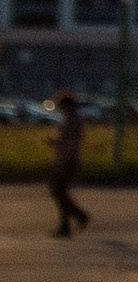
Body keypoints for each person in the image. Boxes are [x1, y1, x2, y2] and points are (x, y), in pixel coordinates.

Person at [47, 90, 90, 237]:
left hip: (68, 161)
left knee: (58, 192)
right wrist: (56, 142)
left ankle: (75, 220)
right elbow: (68, 140)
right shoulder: (72, 118)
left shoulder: (73, 120)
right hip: (66, 160)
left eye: (61, 105)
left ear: (67, 105)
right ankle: (73, 221)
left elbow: (70, 142)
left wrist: (63, 161)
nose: (60, 109)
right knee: (60, 192)